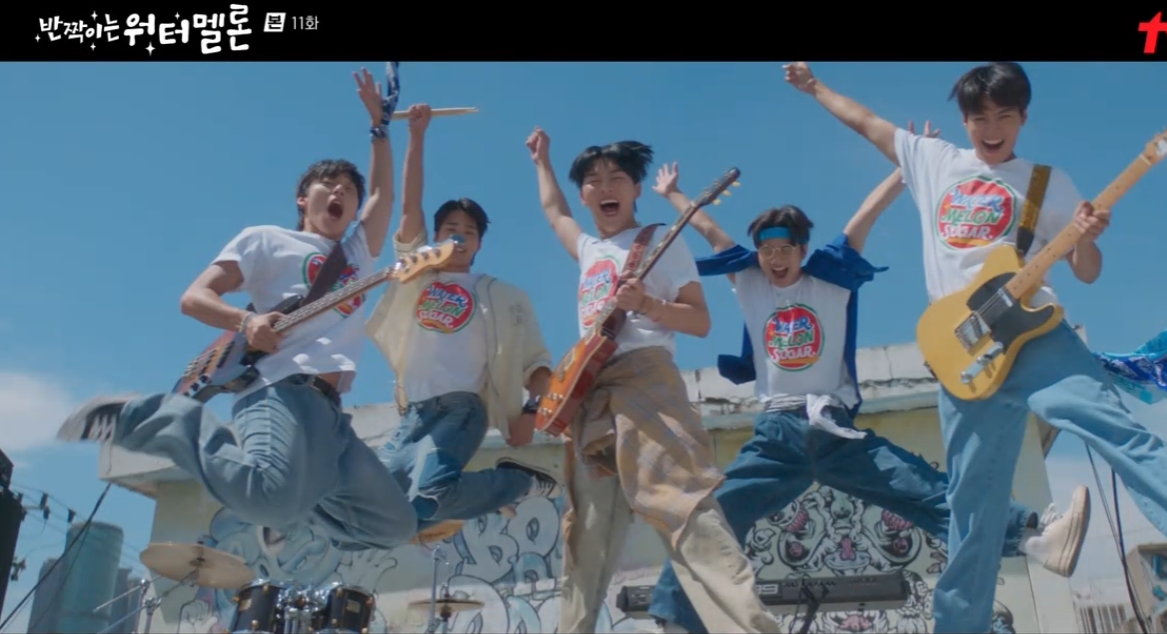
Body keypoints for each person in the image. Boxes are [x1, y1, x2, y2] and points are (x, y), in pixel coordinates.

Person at [781, 60, 1167, 631]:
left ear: (1024, 118)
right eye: (980, 118)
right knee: (971, 507)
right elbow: (866, 122)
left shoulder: (1048, 184)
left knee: (1126, 438)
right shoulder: (934, 160)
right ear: (964, 120)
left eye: (1004, 116)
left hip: (1037, 341)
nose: (991, 129)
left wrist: (1086, 239)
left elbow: (1087, 272)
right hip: (962, 354)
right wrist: (814, 87)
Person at [644, 132, 1093, 633]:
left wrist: (905, 166)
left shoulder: (830, 279)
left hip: (832, 429)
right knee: (712, 516)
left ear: (802, 250)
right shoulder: (749, 283)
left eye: (785, 248)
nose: (775, 258)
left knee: (919, 488)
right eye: (766, 250)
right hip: (775, 435)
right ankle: (677, 619)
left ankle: (1031, 537)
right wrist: (674, 195)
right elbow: (712, 233)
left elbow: (864, 217)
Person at [57, 67, 426, 551]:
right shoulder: (266, 240)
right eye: (328, 184)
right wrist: (246, 321)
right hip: (279, 391)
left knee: (394, 527)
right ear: (302, 198)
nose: (340, 192)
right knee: (269, 499)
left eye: (348, 190)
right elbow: (195, 298)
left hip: (331, 416)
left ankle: (299, 508)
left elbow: (383, 194)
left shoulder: (358, 254)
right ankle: (141, 417)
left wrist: (380, 127)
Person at [525, 127, 781, 634]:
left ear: (636, 189)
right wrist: (542, 163)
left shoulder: (662, 241)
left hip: (646, 380)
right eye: (593, 181)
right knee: (587, 536)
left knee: (684, 508)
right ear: (584, 195)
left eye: (616, 178)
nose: (605, 187)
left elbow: (699, 320)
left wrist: (646, 303)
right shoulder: (589, 249)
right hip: (591, 393)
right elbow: (554, 213)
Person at [364, 103, 559, 545]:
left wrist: (532, 412)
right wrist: (416, 136)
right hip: (413, 414)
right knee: (381, 514)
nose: (459, 236)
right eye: (450, 228)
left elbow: (537, 363)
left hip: (463, 409)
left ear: (480, 244)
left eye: (469, 232)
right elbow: (409, 206)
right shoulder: (417, 276)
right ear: (435, 237)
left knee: (426, 499)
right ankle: (476, 499)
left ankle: (515, 483)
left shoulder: (504, 295)